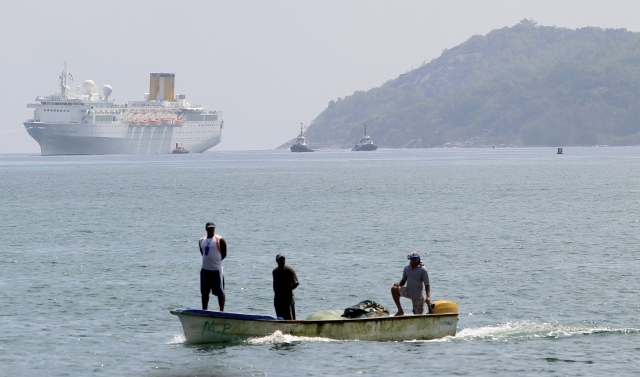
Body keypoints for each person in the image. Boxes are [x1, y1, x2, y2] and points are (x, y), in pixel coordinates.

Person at [390, 251, 430, 316]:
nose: (414, 260)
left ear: (419, 258)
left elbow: (427, 284)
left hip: (418, 296)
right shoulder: (407, 268)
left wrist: (428, 297)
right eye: (413, 258)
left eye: (416, 258)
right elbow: (403, 281)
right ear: (410, 259)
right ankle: (400, 311)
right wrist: (398, 284)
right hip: (408, 291)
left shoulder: (423, 270)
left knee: (417, 316)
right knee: (394, 289)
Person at [199, 222, 227, 311]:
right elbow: (202, 252)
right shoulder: (201, 240)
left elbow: (224, 254)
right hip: (205, 269)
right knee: (204, 292)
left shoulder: (220, 239)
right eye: (209, 228)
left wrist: (216, 261)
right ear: (206, 229)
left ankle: (221, 310)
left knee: (219, 292)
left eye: (212, 228)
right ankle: (204, 310)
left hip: (216, 270)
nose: (211, 229)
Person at [272, 253, 299, 320]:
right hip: (278, 300)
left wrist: (287, 291)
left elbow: (296, 283)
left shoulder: (289, 270)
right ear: (276, 261)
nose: (281, 261)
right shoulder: (275, 271)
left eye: (283, 259)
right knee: (280, 319)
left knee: (289, 319)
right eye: (280, 259)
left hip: (288, 300)